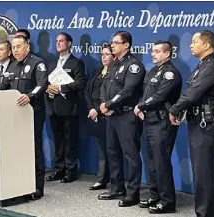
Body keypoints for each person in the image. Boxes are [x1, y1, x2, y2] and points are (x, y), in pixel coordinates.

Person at [169, 30, 214, 217]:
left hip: (206, 124)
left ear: (206, 45)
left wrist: (174, 109)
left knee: (203, 172)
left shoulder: (211, 66)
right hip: (198, 122)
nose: (190, 45)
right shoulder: (203, 65)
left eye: (194, 42)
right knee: (203, 171)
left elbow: (194, 93)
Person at [0, 35, 48, 200]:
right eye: (13, 47)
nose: (16, 50)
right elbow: (2, 86)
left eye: (19, 47)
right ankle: (19, 184)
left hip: (33, 113)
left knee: (34, 150)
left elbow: (42, 84)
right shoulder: (11, 65)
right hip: (13, 115)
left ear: (28, 47)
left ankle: (37, 187)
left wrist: (30, 96)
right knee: (16, 150)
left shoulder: (37, 63)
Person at [98, 31, 145, 206]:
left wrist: (109, 105)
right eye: (112, 42)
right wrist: (105, 105)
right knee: (113, 153)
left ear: (126, 45)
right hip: (112, 116)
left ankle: (133, 193)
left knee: (131, 155)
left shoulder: (134, 65)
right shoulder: (113, 64)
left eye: (116, 43)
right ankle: (117, 188)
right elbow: (104, 85)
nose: (112, 45)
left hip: (127, 116)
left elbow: (128, 91)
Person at [134, 40, 182, 213]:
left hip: (163, 123)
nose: (153, 54)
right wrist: (141, 106)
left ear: (167, 54)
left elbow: (160, 96)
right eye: (152, 51)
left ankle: (168, 201)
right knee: (152, 161)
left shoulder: (171, 74)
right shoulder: (153, 70)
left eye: (157, 51)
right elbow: (145, 94)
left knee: (162, 162)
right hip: (149, 121)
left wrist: (141, 106)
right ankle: (155, 195)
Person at [45, 32, 86, 183]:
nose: (58, 43)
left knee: (70, 141)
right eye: (56, 41)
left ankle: (70, 171)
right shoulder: (51, 63)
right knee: (58, 140)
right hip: (54, 107)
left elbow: (81, 83)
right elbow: (46, 82)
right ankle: (58, 169)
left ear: (69, 43)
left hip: (69, 108)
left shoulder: (76, 63)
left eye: (61, 41)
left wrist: (61, 88)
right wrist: (48, 88)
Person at [84, 44, 114, 190]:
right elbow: (87, 91)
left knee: (112, 150)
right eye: (102, 54)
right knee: (101, 149)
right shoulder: (97, 71)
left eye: (107, 54)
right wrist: (91, 109)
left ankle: (115, 181)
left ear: (114, 56)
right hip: (94, 116)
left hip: (108, 115)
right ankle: (102, 179)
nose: (103, 57)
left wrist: (98, 110)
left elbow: (112, 96)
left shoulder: (115, 73)